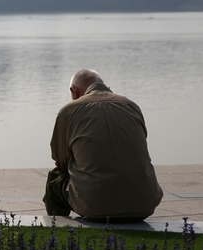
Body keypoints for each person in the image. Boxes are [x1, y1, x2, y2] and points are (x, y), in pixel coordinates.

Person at [44, 69, 162, 221]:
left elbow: (60, 161)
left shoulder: (68, 111)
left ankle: (57, 228)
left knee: (55, 178)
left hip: (95, 206)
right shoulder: (131, 106)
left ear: (73, 91)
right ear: (104, 85)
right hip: (144, 203)